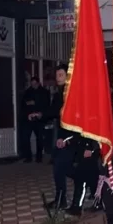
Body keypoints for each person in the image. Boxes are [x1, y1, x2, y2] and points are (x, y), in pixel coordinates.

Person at [49, 64, 73, 210]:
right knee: (60, 167)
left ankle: (61, 199)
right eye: (57, 75)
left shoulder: (71, 93)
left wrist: (65, 139)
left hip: (70, 137)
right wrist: (39, 114)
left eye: (61, 75)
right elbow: (54, 112)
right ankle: (60, 198)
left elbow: (70, 118)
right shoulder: (58, 93)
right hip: (62, 135)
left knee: (62, 167)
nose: (58, 78)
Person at [21, 77, 49, 163]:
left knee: (39, 138)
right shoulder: (28, 92)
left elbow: (46, 104)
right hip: (29, 118)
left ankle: (39, 157)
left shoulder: (44, 92)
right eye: (32, 84)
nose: (33, 86)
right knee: (25, 137)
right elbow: (24, 103)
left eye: (35, 84)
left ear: (38, 83)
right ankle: (28, 156)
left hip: (39, 119)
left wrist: (35, 103)